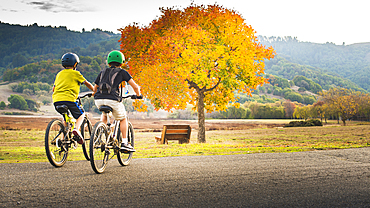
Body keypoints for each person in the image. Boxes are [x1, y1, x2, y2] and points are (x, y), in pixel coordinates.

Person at [93, 50, 141, 152]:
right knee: (123, 118)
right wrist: (138, 95)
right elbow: (135, 87)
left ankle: (100, 133)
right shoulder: (122, 72)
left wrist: (94, 94)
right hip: (112, 100)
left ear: (109, 62)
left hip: (98, 100)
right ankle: (124, 143)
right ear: (121, 62)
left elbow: (95, 88)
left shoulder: (102, 72)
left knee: (105, 114)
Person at [52, 52, 94, 144]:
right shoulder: (76, 73)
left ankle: (64, 140)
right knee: (81, 115)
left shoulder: (59, 74)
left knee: (66, 118)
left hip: (56, 100)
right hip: (69, 99)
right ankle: (76, 129)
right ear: (75, 64)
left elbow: (53, 88)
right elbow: (87, 83)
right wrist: (95, 91)